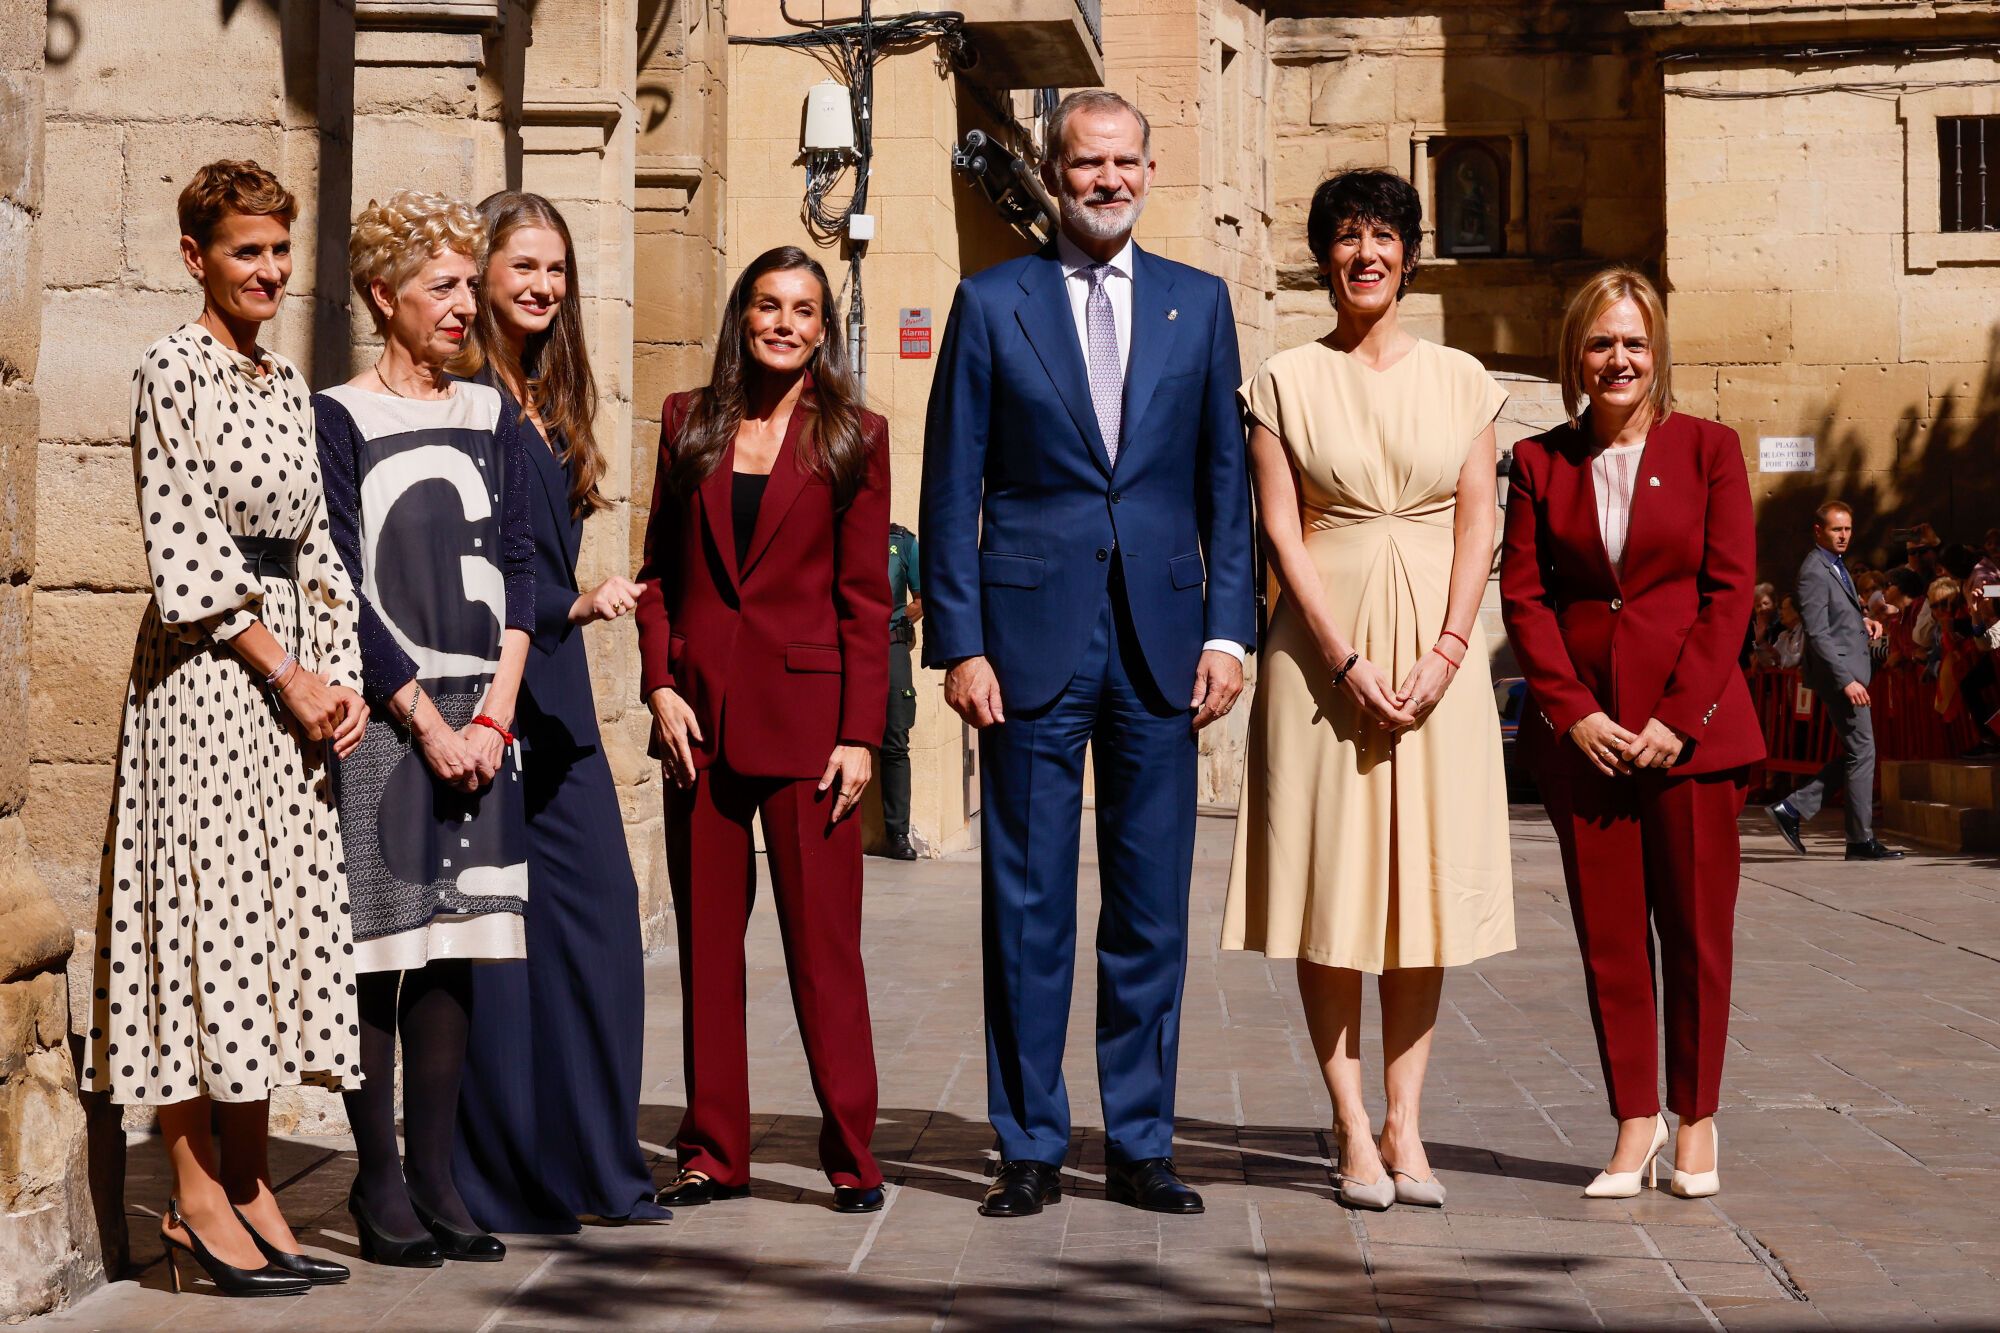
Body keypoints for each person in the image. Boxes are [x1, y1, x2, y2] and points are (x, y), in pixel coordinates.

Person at [921, 88, 1256, 1218]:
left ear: (1148, 172)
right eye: (1083, 164)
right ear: (1051, 173)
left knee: (1150, 906)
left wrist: (1225, 626)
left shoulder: (1197, 305)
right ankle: (1026, 1142)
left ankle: (1141, 1142)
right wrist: (957, 641)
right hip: (1023, 646)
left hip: (1161, 645)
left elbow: (1223, 480)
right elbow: (950, 483)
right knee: (1026, 904)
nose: (1104, 180)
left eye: (1122, 163)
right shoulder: (989, 303)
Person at [81, 160, 367, 1298]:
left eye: (279, 249)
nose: (268, 270)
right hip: (206, 683)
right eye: (246, 250)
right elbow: (186, 549)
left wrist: (335, 679)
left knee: (264, 928)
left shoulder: (287, 379)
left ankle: (253, 1183)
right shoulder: (171, 369)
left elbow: (316, 546)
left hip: (290, 684)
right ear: (197, 256)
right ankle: (193, 1197)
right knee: (205, 926)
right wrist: (286, 671)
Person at [1223, 168, 1514, 1212]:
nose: (1365, 253)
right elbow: (1278, 531)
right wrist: (1343, 659)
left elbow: (1478, 521)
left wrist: (1447, 650)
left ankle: (1406, 1124)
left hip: (1439, 662)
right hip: (1320, 657)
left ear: (1408, 251)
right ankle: (1349, 1124)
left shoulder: (1463, 377)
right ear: (1322, 256)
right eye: (1345, 236)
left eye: (1383, 234)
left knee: (1420, 898)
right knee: (1332, 890)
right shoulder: (1280, 379)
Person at [635, 245, 892, 1215]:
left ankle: (852, 1153)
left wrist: (859, 735)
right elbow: (657, 570)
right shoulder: (686, 422)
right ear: (741, 316)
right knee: (707, 948)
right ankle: (713, 1150)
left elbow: (865, 600)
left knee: (823, 952)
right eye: (766, 305)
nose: (783, 323)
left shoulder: (853, 437)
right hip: (694, 723)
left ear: (823, 329)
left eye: (802, 310)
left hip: (811, 725)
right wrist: (658, 683)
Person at [1500, 266, 1763, 1201]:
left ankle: (1697, 1120)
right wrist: (1576, 715)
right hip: (1589, 741)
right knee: (1610, 938)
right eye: (1602, 342)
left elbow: (1730, 593)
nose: (1619, 359)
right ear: (1576, 353)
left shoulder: (1711, 450)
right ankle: (1634, 1119)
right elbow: (1527, 600)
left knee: (1696, 934)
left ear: (1658, 354)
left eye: (1635, 343)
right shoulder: (1538, 462)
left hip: (1692, 736)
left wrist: (1675, 719)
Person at [315, 190, 536, 1266]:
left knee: (453, 949)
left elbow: (528, 569)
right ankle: (379, 1178)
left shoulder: (492, 411)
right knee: (382, 945)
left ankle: (440, 1176)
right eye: (440, 287)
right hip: (386, 714)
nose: (463, 305)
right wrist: (421, 715)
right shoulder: (336, 415)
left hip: (480, 715)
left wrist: (494, 712)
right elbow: (339, 584)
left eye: (466, 285)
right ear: (381, 297)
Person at [449, 191, 669, 1231]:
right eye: (523, 266)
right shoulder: (462, 398)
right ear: (480, 271)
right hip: (494, 689)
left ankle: (591, 1165)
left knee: (596, 933)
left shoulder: (544, 393)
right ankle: (510, 1182)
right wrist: (576, 601)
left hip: (561, 696)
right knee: (497, 943)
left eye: (556, 270)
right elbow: (466, 571)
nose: (542, 286)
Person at [1765, 502, 1904, 861]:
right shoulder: (1814, 569)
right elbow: (1818, 632)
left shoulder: (1835, 565)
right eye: (1835, 530)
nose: (1843, 536)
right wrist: (1846, 681)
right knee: (1863, 752)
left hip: (1847, 670)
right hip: (1840, 675)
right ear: (1818, 531)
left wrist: (1865, 622)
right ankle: (1858, 840)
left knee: (1857, 753)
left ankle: (1794, 810)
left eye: (1847, 529)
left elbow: (1838, 618)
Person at [878, 521, 924, 860]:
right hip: (844, 645)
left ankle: (897, 833)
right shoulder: (836, 527)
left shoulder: (902, 542)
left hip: (891, 648)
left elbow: (923, 597)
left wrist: (896, 620)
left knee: (895, 740)